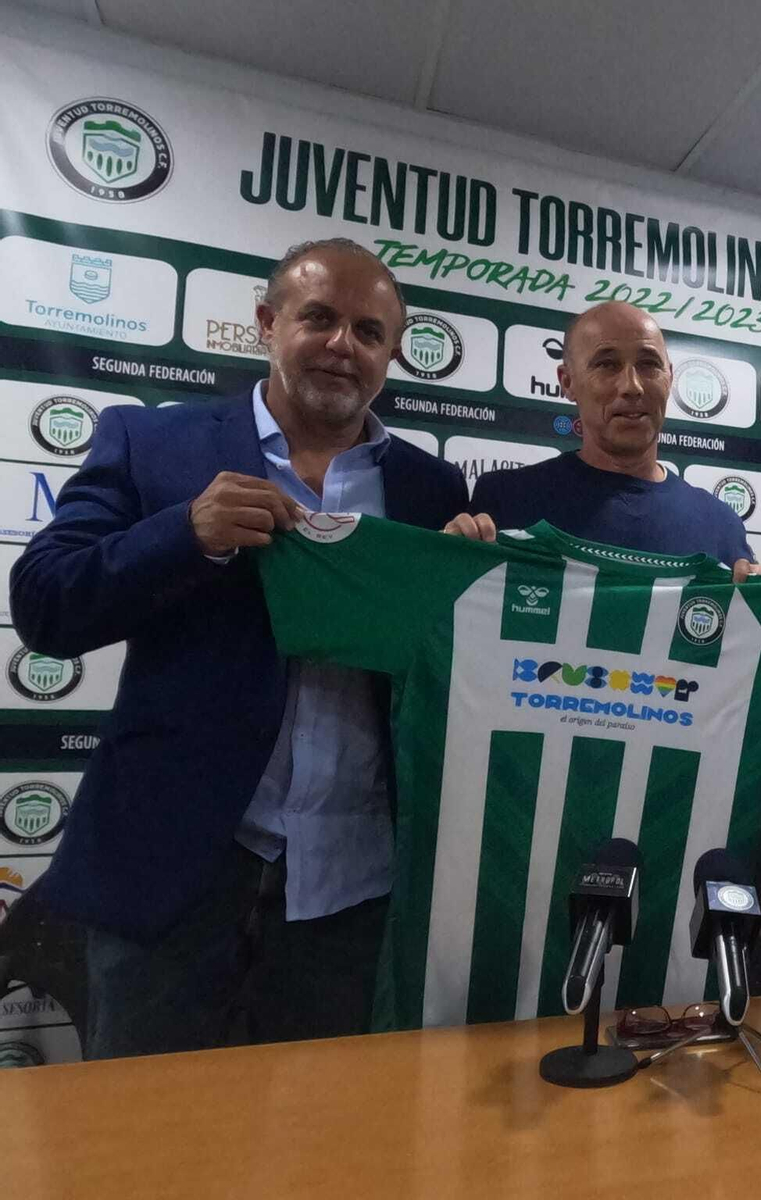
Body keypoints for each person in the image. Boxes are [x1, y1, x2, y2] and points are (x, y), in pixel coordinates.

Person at [10, 238, 468, 1058]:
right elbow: (45, 605)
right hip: (174, 872)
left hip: (354, 889)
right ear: (266, 323)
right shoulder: (153, 444)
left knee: (320, 1151)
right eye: (319, 318)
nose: (342, 345)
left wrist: (474, 582)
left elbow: (448, 673)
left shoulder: (433, 491)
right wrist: (184, 535)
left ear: (391, 356)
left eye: (368, 332)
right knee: (145, 1142)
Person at [445, 301, 755, 571]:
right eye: (607, 364)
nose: (632, 386)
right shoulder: (504, 500)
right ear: (567, 382)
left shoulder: (721, 526)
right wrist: (446, 565)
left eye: (649, 365)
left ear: (670, 378)